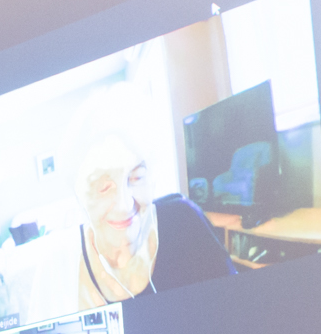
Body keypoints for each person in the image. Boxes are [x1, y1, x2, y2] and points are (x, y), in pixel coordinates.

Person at [33, 131, 234, 317]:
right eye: (103, 187)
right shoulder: (56, 270)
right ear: (79, 197)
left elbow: (235, 310)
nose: (125, 205)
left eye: (137, 178)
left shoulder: (184, 223)